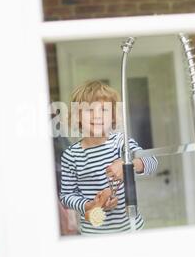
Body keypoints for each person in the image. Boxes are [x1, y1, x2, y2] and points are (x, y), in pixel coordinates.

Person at [59, 80, 158, 234]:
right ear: (76, 116)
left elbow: (151, 162)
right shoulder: (71, 155)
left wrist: (128, 165)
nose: (97, 116)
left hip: (131, 230)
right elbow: (67, 195)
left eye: (104, 110)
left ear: (113, 116)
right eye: (89, 110)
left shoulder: (121, 142)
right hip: (93, 235)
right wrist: (90, 205)